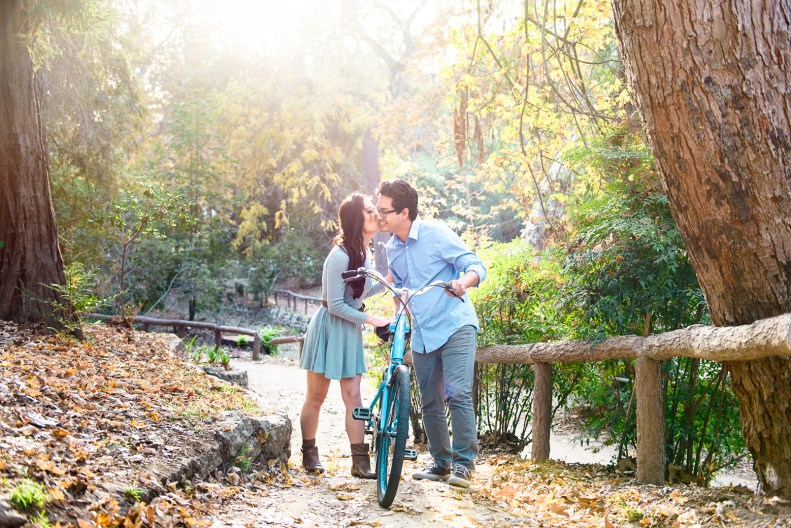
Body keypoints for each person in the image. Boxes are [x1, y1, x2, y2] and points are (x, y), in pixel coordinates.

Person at [375, 179, 486, 489]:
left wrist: (464, 282)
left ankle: (464, 465)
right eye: (378, 210)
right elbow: (398, 285)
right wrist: (398, 315)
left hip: (454, 326)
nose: (380, 216)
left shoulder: (436, 234)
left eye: (386, 211)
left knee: (456, 394)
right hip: (423, 332)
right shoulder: (392, 247)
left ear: (405, 212)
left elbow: (475, 264)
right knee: (429, 402)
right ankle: (441, 462)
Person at [299, 192, 392, 478]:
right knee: (317, 396)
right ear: (355, 220)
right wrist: (371, 318)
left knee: (354, 396)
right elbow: (336, 304)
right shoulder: (338, 256)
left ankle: (360, 462)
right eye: (368, 210)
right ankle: (309, 453)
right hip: (328, 328)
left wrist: (387, 282)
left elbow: (358, 293)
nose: (375, 213)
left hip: (349, 330)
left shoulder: (364, 252)